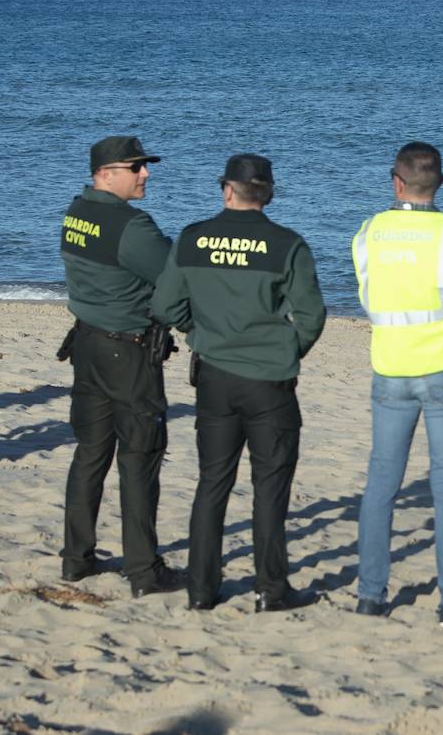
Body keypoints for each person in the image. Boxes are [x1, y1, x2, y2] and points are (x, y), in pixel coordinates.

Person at [151, 154, 326, 612]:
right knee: (270, 487)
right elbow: (310, 316)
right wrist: (286, 350)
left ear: (227, 190)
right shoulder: (287, 243)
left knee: (213, 483)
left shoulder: (192, 238)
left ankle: (201, 590)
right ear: (266, 194)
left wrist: (202, 332)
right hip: (268, 380)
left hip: (215, 375)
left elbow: (166, 305)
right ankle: (271, 589)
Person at [351, 142, 443, 627]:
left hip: (390, 366)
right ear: (440, 184)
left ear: (396, 182)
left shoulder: (370, 232)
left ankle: (370, 595)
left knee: (381, 482)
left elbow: (366, 291)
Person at [58, 135, 183, 598]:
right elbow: (176, 275)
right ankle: (144, 571)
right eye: (137, 167)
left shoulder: (76, 212)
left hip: (87, 343)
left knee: (90, 452)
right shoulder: (131, 226)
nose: (145, 174)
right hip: (127, 352)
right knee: (140, 456)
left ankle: (76, 559)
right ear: (107, 173)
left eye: (144, 166)